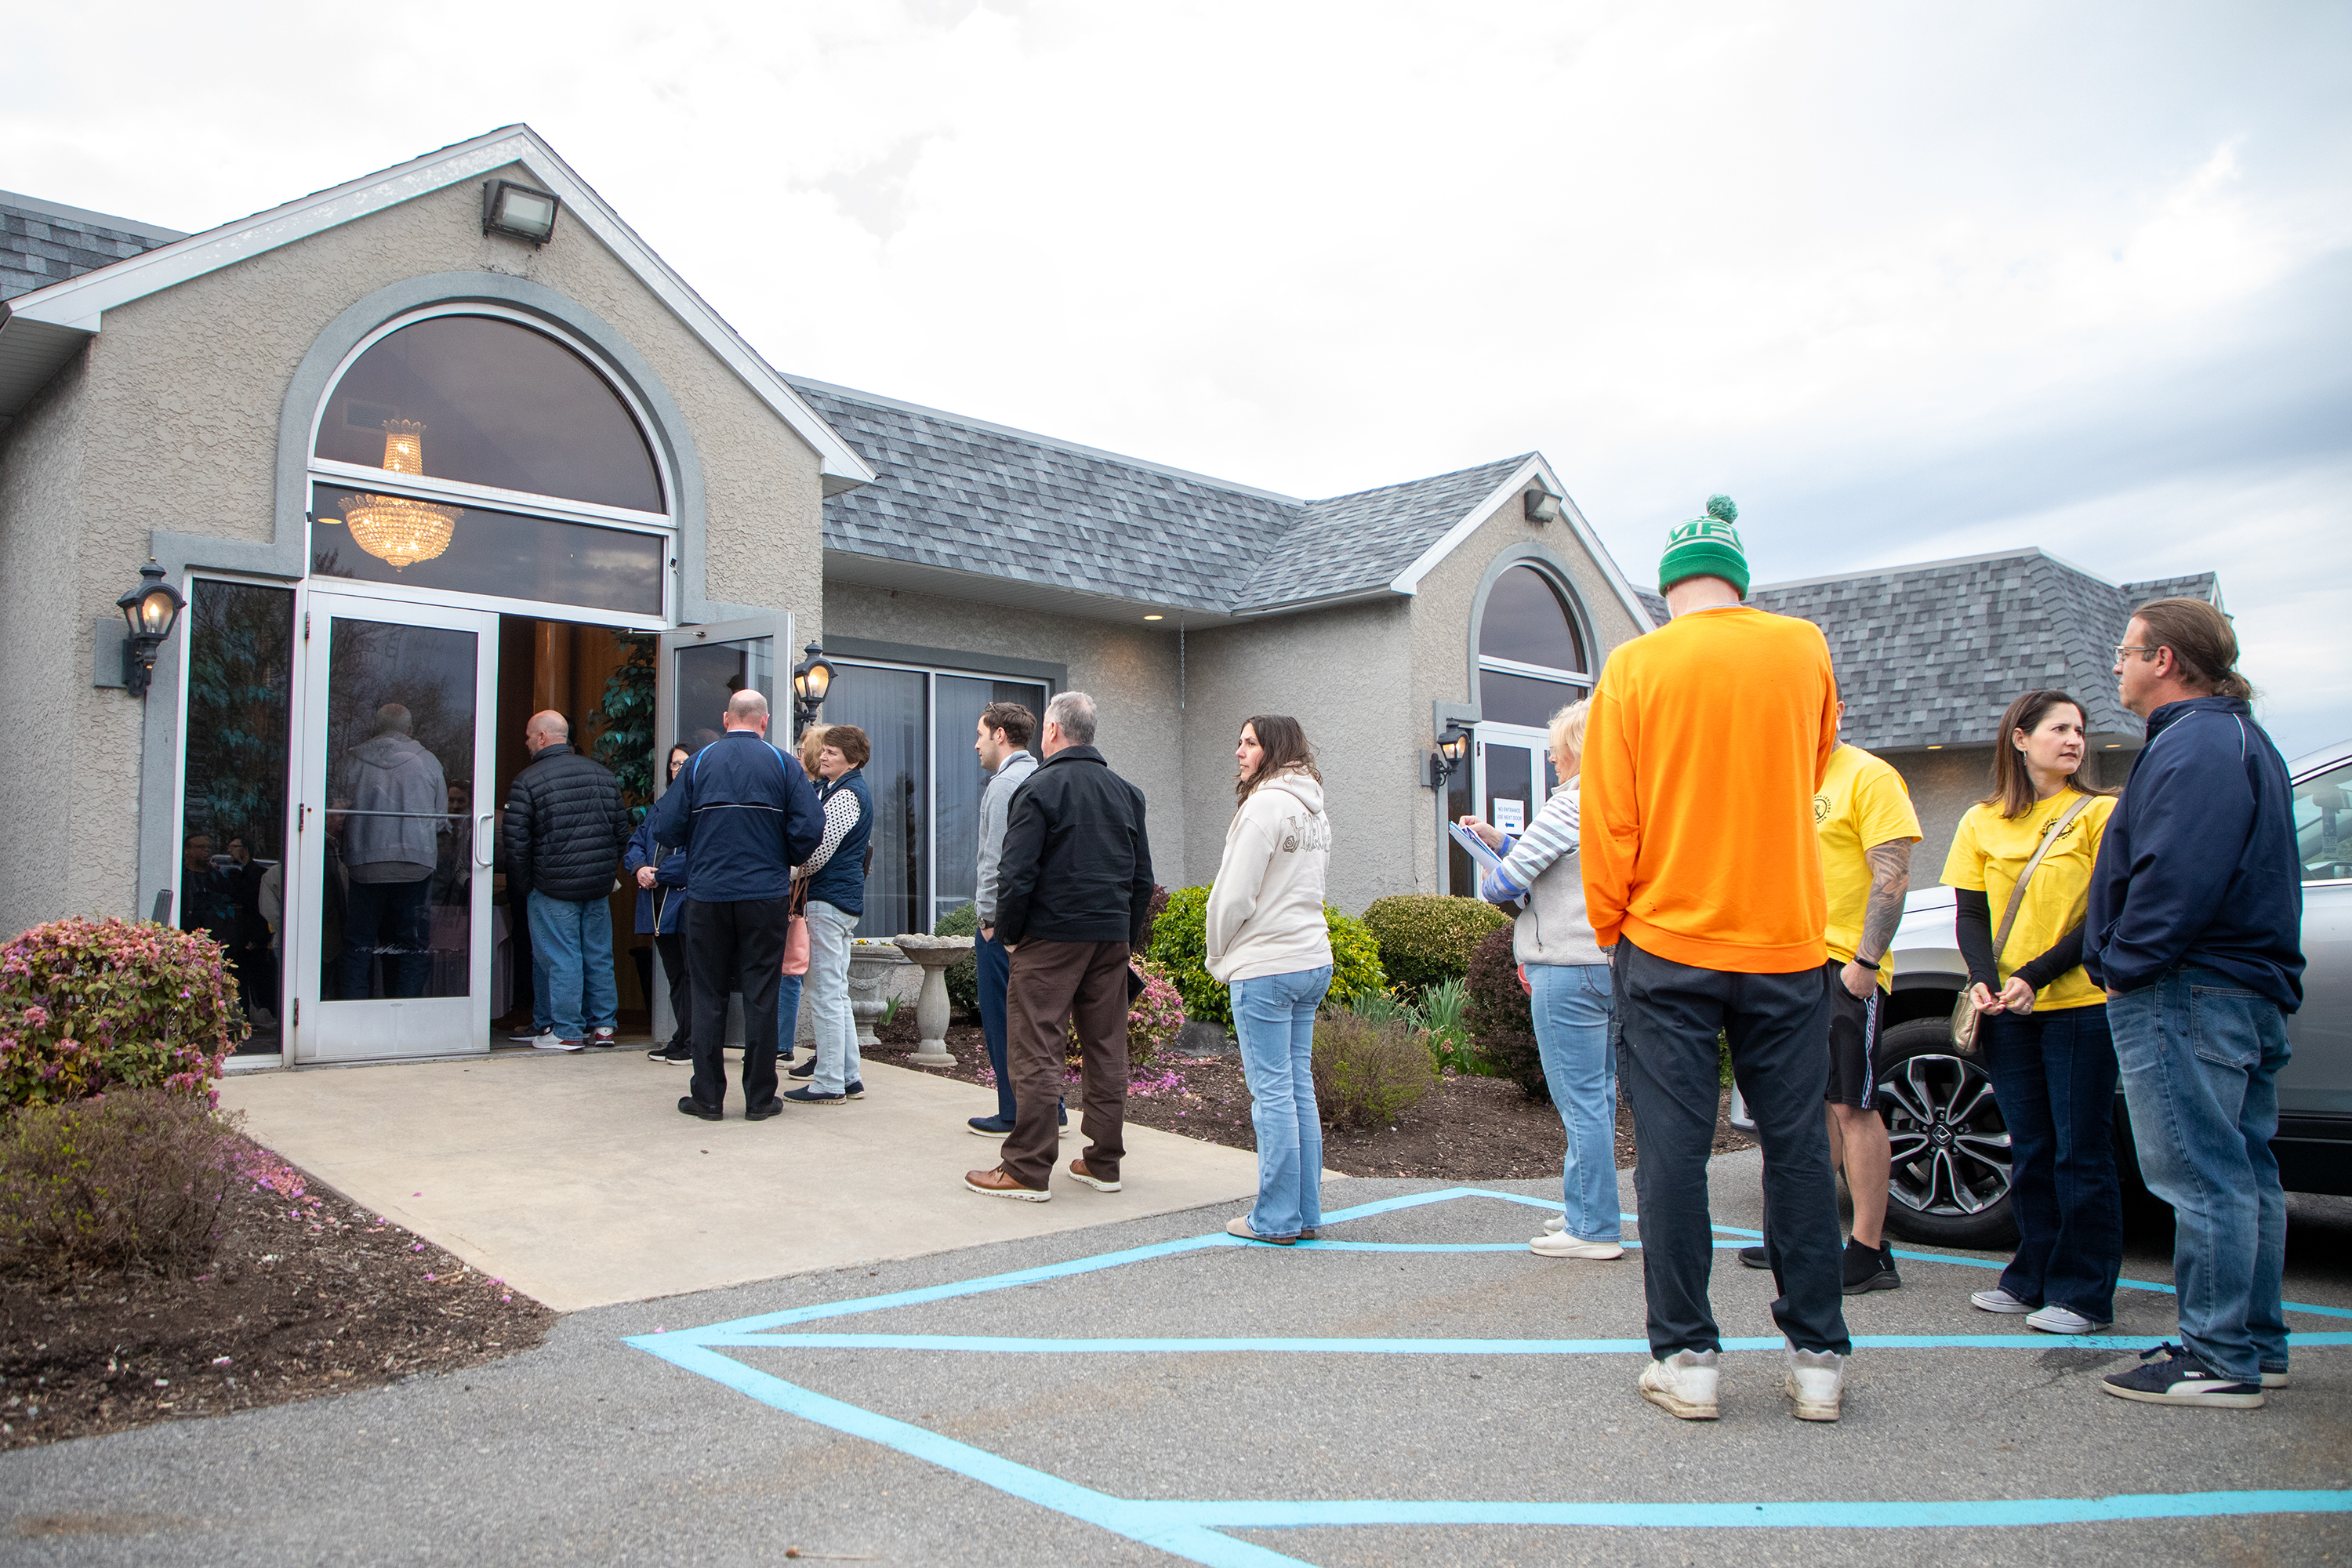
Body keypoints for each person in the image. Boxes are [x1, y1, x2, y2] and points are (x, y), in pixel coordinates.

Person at [1581, 495, 1853, 1424]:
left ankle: (1689, 1356)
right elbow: (1813, 765)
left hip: (1666, 938)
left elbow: (1610, 814)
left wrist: (1613, 923)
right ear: (1740, 581)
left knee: (1672, 1150)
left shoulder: (1635, 664)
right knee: (1798, 1147)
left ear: (1666, 588)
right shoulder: (1802, 646)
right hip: (1784, 937)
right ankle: (1818, 1355)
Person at [2087, 597, 2303, 1410]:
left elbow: (2175, 878)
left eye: (2127, 650)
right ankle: (2255, 1341)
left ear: (2166, 659)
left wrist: (2120, 963)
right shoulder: (2238, 738)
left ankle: (2216, 1356)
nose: (2118, 663)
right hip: (2236, 989)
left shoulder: (2199, 747)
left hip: (2186, 990)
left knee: (2203, 1176)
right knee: (2244, 1171)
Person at [1943, 690, 2125, 1334]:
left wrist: (2034, 976)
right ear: (2020, 739)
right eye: (2058, 729)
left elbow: (2104, 915)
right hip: (2008, 1011)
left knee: (2082, 1151)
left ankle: (2084, 1294)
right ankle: (2032, 1277)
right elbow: (1971, 913)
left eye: (2080, 729)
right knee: (2032, 1147)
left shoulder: (2102, 814)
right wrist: (1986, 982)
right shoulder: (1980, 820)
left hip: (2079, 1004)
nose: (2074, 740)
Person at [1735, 698, 1920, 1294]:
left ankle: (1869, 1249)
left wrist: (1866, 962)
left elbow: (1892, 873)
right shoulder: (1781, 782)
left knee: (1853, 1105)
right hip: (1783, 962)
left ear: (1836, 710)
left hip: (1844, 963)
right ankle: (1796, 1233)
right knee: (1798, 1104)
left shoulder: (1869, 775)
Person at [965, 691, 1156, 1201]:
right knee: (1105, 1049)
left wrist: (1007, 934)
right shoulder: (1127, 793)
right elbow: (1142, 880)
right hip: (1109, 937)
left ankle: (1027, 1168)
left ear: (1051, 731)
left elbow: (1017, 871)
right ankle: (1103, 1163)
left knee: (1035, 1047)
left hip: (1050, 938)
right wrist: (1124, 935)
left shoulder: (1040, 787)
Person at [1466, 699, 1622, 1261]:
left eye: (1557, 749)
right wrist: (1497, 837)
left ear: (1578, 749)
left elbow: (1504, 884)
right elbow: (1558, 865)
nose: (1553, 760)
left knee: (1579, 1101)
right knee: (1599, 1096)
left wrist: (1487, 860)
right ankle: (1589, 1206)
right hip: (1608, 965)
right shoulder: (1619, 804)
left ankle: (1594, 1228)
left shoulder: (1567, 806)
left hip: (1563, 967)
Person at [648, 689, 825, 1120]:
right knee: (761, 993)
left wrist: (703, 842)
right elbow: (809, 831)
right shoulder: (784, 763)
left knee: (707, 993)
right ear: (763, 722)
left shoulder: (699, 763)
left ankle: (707, 1098)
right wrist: (777, 854)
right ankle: (761, 1099)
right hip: (764, 896)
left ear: (727, 719)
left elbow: (666, 828)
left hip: (707, 895)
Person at [1207, 715, 1334, 1245]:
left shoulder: (1262, 807)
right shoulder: (1314, 808)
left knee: (1274, 1093)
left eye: (1250, 743)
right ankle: (1303, 1213)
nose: (1239, 752)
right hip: (1311, 958)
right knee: (1297, 1088)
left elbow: (1234, 896)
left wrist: (1217, 954)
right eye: (1238, 741)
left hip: (1267, 965)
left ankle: (1275, 1218)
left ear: (1273, 750)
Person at [503, 710, 633, 1051]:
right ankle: (604, 1027)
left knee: (561, 958)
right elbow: (622, 833)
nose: (527, 742)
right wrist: (606, 872)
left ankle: (568, 1031)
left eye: (530, 736)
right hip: (597, 886)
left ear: (543, 737)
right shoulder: (603, 776)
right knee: (599, 955)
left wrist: (525, 885)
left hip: (552, 887)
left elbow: (516, 845)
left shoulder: (527, 780)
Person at [785, 725, 877, 1107]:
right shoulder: (841, 790)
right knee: (836, 992)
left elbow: (817, 854)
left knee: (824, 993)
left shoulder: (846, 796)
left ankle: (828, 1083)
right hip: (840, 902)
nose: (823, 756)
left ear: (852, 760)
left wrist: (786, 870)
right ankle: (849, 1076)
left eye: (833, 753)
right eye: (824, 751)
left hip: (827, 902)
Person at [968, 701, 1045, 1138]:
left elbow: (995, 859)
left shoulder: (1003, 786)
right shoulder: (1039, 778)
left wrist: (988, 919)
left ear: (1000, 735)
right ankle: (1047, 1106)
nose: (976, 744)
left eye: (981, 734)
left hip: (1004, 926)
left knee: (1003, 1019)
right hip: (1037, 924)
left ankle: (1013, 1110)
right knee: (1036, 1021)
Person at [337, 703, 447, 1000]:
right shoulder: (428, 762)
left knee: (358, 943)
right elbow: (440, 820)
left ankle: (353, 1015)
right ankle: (405, 1013)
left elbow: (338, 810)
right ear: (410, 731)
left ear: (376, 728)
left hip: (365, 863)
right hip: (415, 861)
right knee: (411, 944)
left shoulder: (352, 760)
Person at [630, 744, 695, 1065]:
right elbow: (637, 842)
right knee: (676, 976)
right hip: (656, 903)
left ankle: (695, 1040)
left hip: (684, 902)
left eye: (684, 763)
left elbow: (697, 856)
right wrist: (639, 868)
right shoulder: (660, 806)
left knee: (693, 974)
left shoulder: (700, 806)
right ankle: (682, 1036)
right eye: (673, 764)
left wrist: (660, 874)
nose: (678, 769)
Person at [782, 723, 832, 1076]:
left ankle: (790, 1048)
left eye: (802, 749)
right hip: (811, 897)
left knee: (802, 975)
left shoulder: (822, 795)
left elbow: (814, 852)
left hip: (814, 898)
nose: (799, 755)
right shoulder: (820, 792)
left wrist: (783, 871)